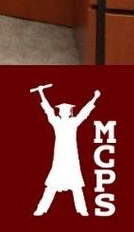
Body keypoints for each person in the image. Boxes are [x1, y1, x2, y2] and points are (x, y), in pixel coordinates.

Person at [34, 87, 101, 216]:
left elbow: (84, 112)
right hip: (59, 159)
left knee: (76, 186)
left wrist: (94, 98)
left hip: (71, 159)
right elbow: (48, 110)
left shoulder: (74, 122)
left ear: (70, 112)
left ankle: (83, 211)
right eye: (62, 110)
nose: (65, 112)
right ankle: (40, 209)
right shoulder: (56, 122)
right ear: (59, 113)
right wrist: (41, 93)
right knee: (52, 186)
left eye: (67, 110)